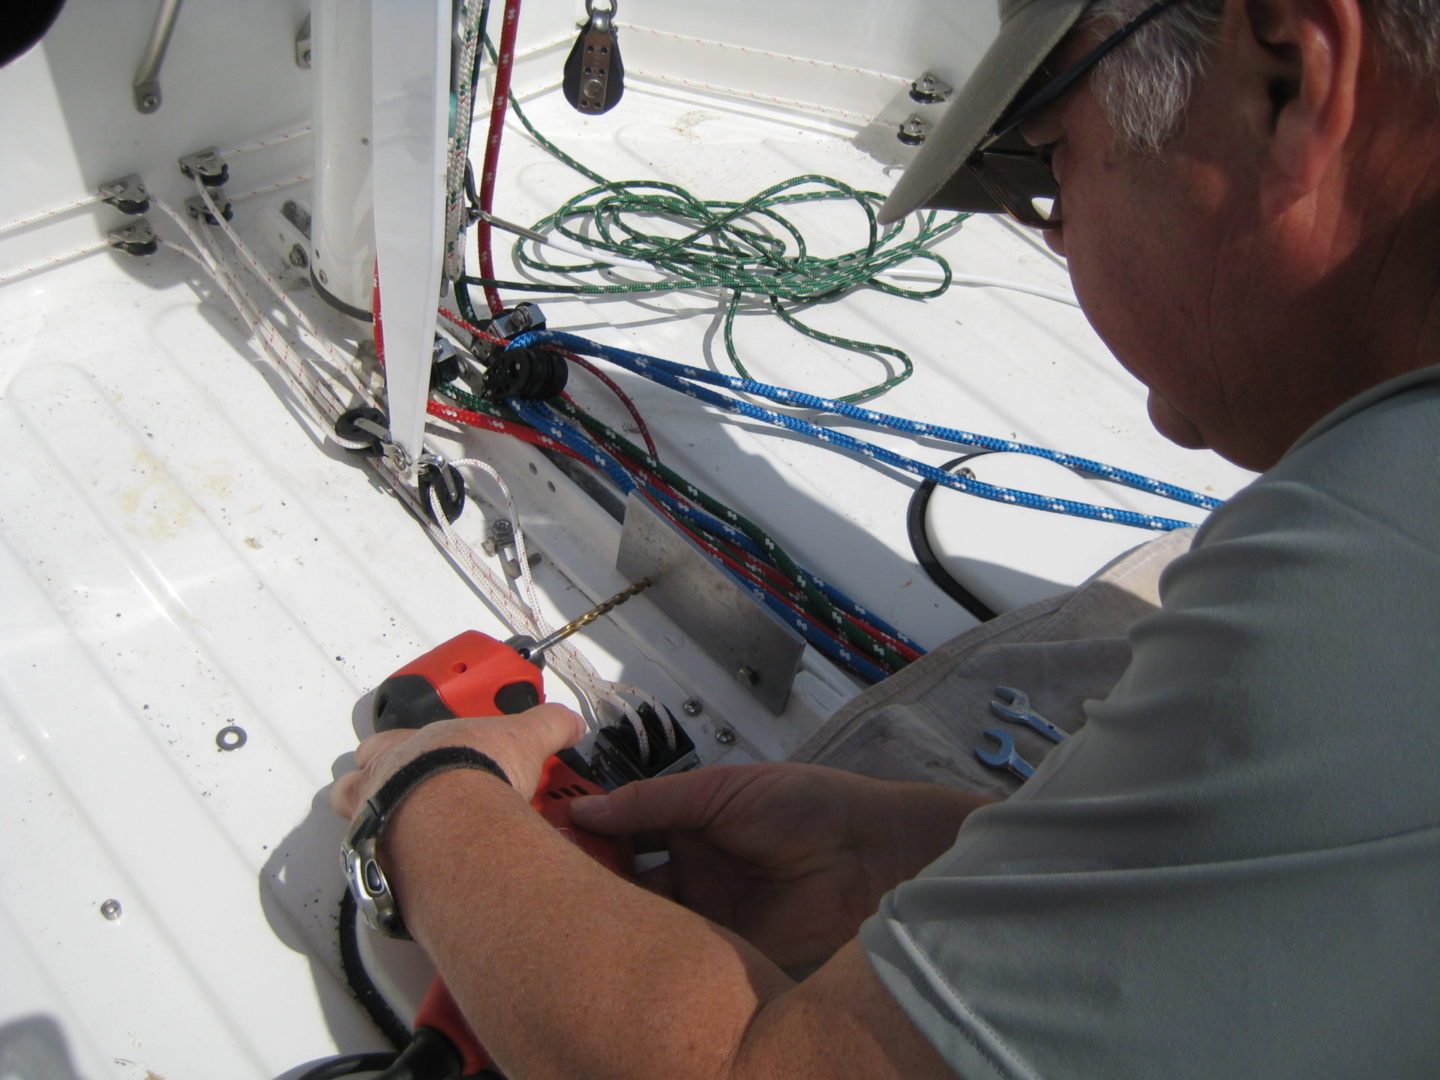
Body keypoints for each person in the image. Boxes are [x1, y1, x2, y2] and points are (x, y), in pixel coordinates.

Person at [332, 0, 1440, 1074]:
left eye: (1051, 168)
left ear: (1288, 77)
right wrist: (915, 856)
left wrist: (424, 806)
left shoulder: (1368, 580)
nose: (1061, 244)